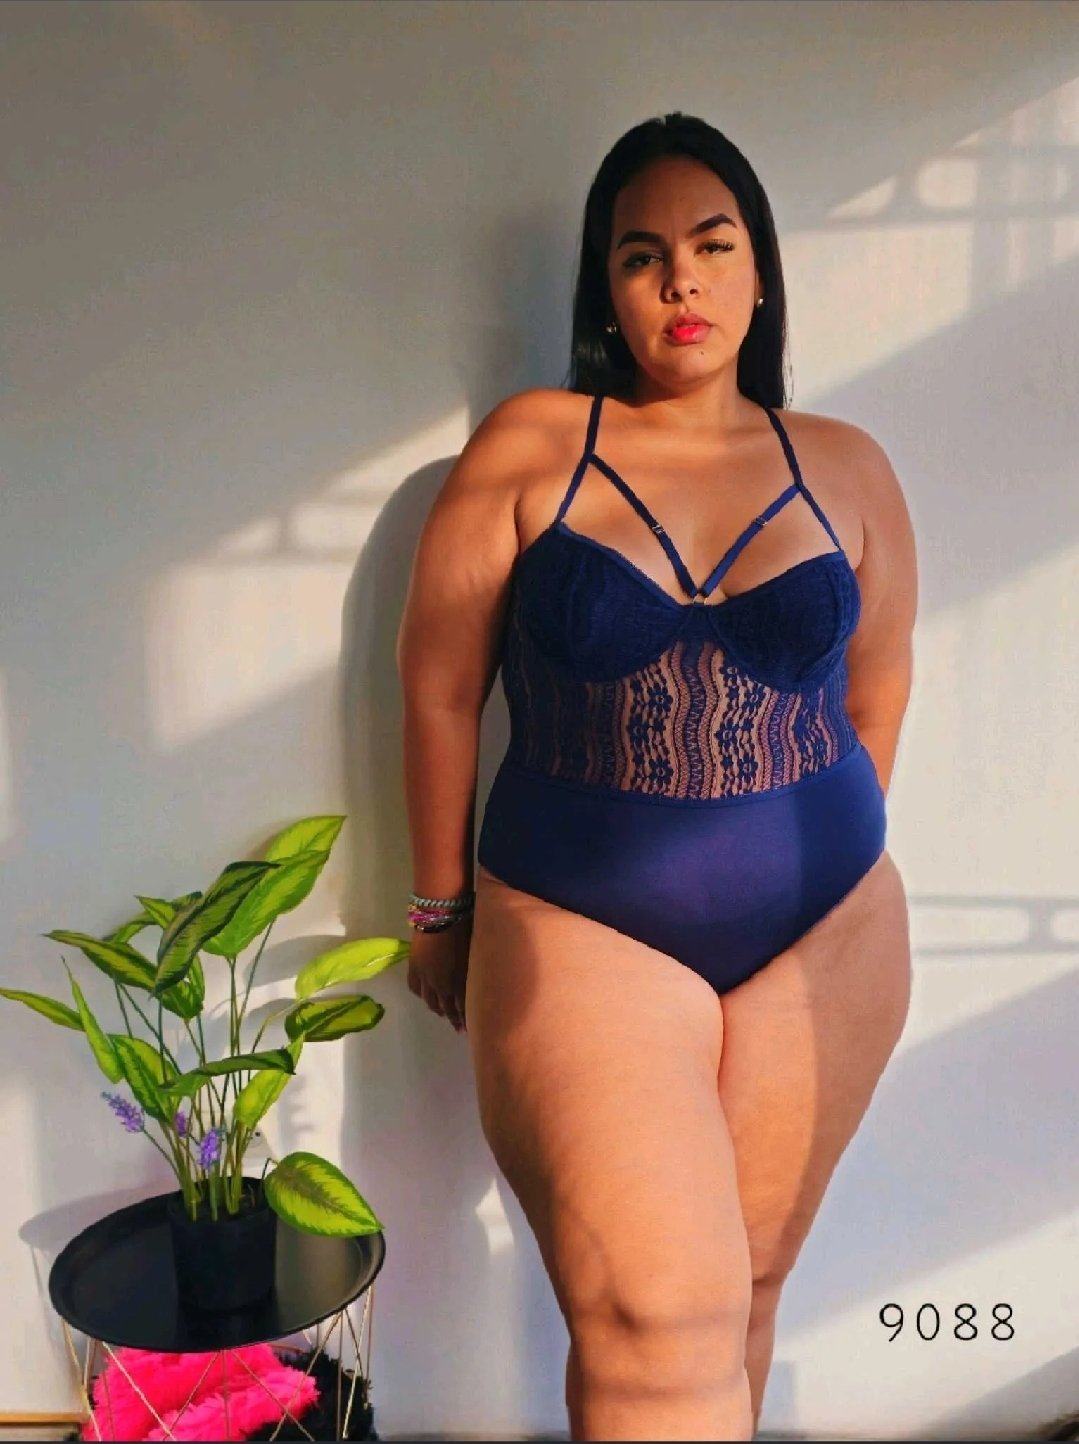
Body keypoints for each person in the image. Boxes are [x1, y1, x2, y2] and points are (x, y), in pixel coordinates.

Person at [395, 111, 917, 1442]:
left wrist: (828, 854)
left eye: (712, 244)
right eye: (641, 255)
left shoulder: (847, 464)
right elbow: (440, 685)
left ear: (762, 272)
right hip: (583, 927)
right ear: (608, 291)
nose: (680, 279)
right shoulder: (531, 445)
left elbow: (879, 686)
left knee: (741, 1298)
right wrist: (440, 908)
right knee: (655, 1324)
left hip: (828, 936)